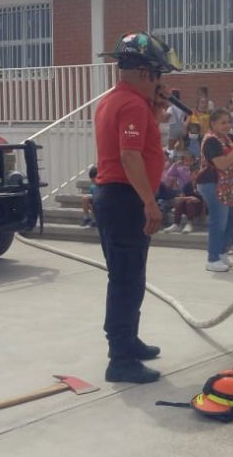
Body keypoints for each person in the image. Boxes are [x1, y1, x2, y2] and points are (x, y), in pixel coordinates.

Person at [93, 31, 181, 383]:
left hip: (117, 197)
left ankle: (129, 340)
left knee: (131, 276)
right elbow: (130, 156)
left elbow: (143, 138)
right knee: (126, 280)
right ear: (145, 73)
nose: (160, 82)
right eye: (158, 75)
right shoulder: (130, 104)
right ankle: (120, 358)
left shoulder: (118, 100)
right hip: (125, 198)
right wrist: (149, 202)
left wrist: (156, 106)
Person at [197, 108, 233, 273]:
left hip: (229, 185)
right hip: (213, 183)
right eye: (223, 123)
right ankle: (212, 259)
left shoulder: (226, 139)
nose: (227, 125)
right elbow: (222, 164)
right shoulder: (211, 141)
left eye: (229, 122)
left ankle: (221, 252)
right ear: (213, 124)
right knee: (218, 222)